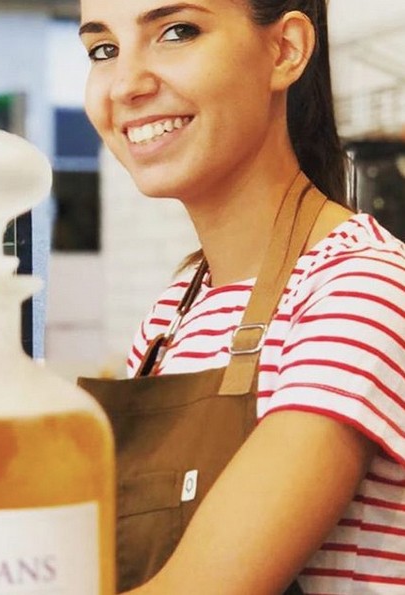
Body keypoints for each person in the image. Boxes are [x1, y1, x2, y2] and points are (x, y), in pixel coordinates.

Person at [77, 0, 405, 594]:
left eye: (177, 31)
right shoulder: (172, 316)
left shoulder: (360, 288)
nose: (125, 84)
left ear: (285, 50)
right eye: (104, 49)